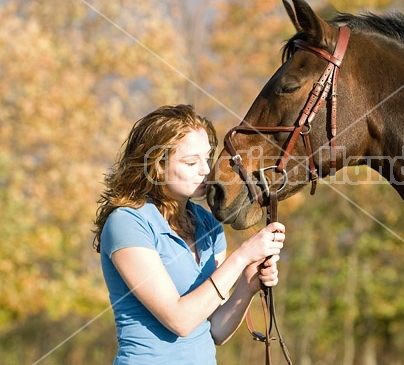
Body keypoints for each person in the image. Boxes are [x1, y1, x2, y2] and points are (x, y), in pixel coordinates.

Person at [93, 104, 285, 364]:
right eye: (191, 162)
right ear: (157, 167)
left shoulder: (208, 224)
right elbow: (180, 320)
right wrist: (241, 258)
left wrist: (247, 285)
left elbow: (215, 329)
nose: (206, 170)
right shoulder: (127, 223)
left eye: (207, 158)